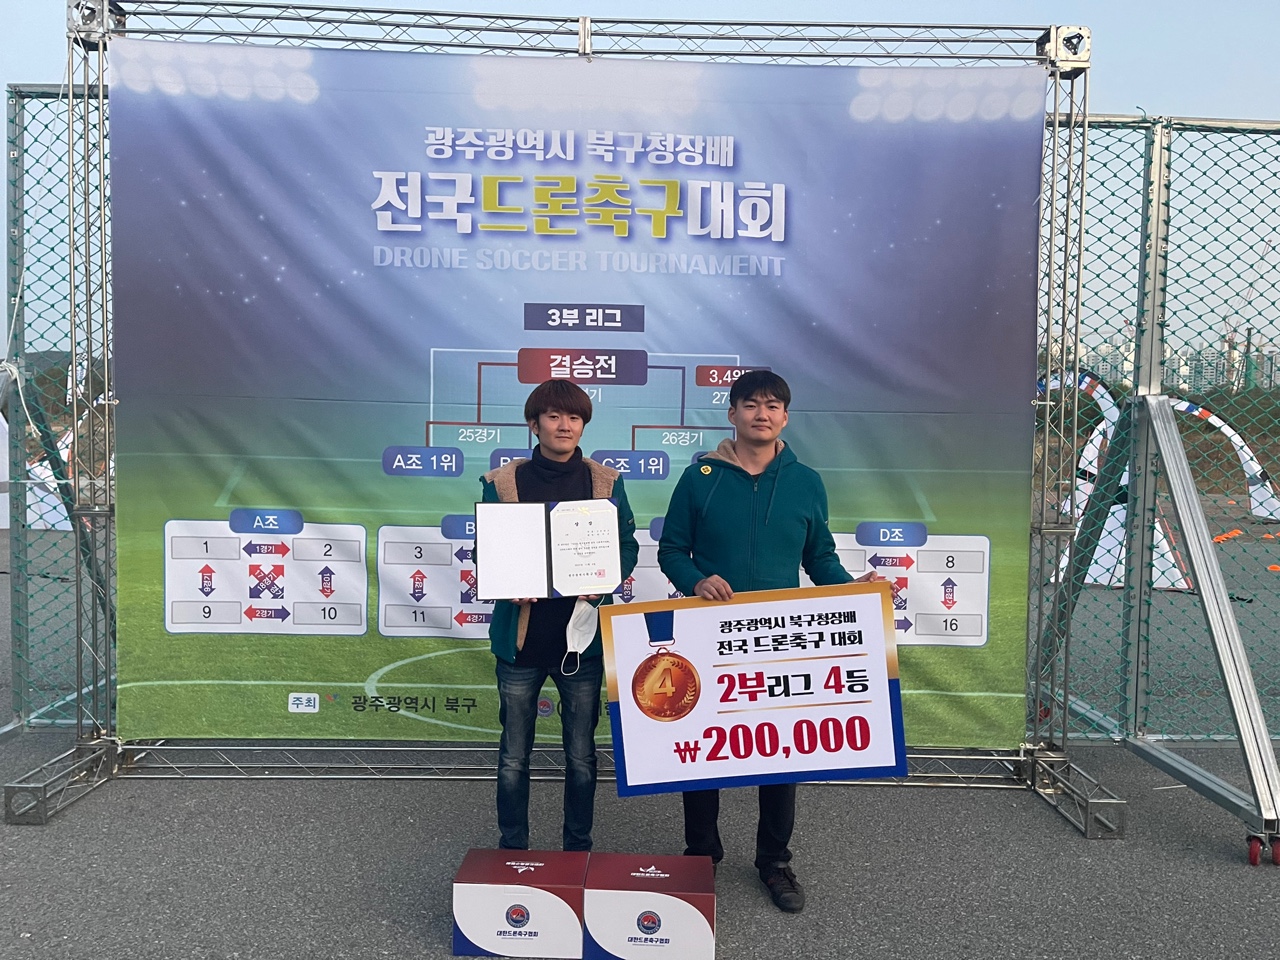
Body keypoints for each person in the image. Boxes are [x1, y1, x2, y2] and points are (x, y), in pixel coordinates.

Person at [658, 370, 869, 913]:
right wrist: (696, 580)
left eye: (773, 405)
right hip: (708, 633)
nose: (762, 413)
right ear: (732, 413)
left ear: (785, 417)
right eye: (750, 404)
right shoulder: (700, 477)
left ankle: (774, 860)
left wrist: (853, 590)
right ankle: (700, 855)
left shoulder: (807, 482)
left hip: (779, 639)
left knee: (780, 753)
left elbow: (819, 557)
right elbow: (672, 550)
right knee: (703, 749)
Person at [481, 379, 639, 852]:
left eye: (573, 417)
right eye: (553, 416)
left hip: (581, 643)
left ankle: (578, 849)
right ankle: (512, 848)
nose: (564, 425)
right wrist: (507, 584)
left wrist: (603, 580)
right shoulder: (503, 483)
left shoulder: (605, 482)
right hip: (521, 645)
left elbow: (626, 547)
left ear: (583, 424)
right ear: (534, 425)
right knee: (513, 757)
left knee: (582, 757)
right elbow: (488, 551)